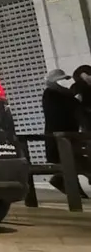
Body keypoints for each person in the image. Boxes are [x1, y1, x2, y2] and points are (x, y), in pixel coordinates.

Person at [42, 68, 88, 197]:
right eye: (62, 80)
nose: (66, 82)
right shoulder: (51, 94)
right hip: (59, 138)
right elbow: (60, 112)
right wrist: (76, 101)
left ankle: (62, 181)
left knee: (73, 161)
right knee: (69, 161)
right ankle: (73, 191)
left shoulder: (65, 94)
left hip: (69, 136)